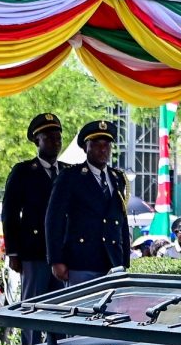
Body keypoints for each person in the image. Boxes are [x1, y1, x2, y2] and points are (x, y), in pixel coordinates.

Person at [45, 120, 131, 285]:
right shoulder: (71, 177)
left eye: (107, 144)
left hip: (113, 261)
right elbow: (54, 219)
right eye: (96, 144)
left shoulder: (117, 177)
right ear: (85, 148)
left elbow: (121, 221)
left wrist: (124, 259)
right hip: (81, 261)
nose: (103, 149)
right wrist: (56, 259)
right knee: (82, 302)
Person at [2, 112, 67, 311]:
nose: (55, 142)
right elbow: (10, 213)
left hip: (63, 252)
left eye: (58, 137)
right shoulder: (23, 172)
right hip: (34, 251)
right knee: (32, 307)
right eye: (49, 138)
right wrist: (13, 252)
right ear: (37, 141)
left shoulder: (68, 172)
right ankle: (30, 335)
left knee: (63, 308)